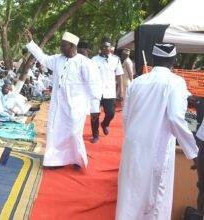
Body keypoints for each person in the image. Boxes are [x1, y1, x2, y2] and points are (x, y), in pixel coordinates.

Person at [116, 43, 198, 219]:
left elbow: (126, 116)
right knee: (155, 197)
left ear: (153, 60)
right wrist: (193, 151)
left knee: (131, 192)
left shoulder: (137, 82)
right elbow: (176, 118)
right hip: (157, 148)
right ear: (174, 61)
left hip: (133, 145)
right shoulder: (176, 82)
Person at [25, 30, 100, 169]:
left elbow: (93, 87)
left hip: (76, 106)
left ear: (72, 46)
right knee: (55, 132)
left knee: (73, 133)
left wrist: (94, 108)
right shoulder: (57, 59)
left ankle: (77, 160)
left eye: (64, 45)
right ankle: (56, 161)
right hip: (58, 105)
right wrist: (31, 43)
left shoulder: (85, 63)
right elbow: (43, 58)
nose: (61, 48)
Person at [91, 38, 123, 142]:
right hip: (95, 91)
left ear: (110, 48)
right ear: (101, 47)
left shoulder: (116, 59)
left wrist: (121, 91)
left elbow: (119, 76)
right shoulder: (94, 60)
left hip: (109, 92)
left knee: (111, 113)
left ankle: (105, 124)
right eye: (103, 46)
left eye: (107, 46)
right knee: (94, 114)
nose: (105, 48)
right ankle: (95, 135)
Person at [77, 41, 102, 143]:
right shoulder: (75, 61)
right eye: (79, 50)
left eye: (82, 50)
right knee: (78, 116)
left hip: (93, 93)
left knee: (94, 115)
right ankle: (77, 136)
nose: (80, 52)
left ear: (87, 51)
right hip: (79, 94)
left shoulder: (92, 63)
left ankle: (95, 135)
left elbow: (97, 80)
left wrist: (97, 95)